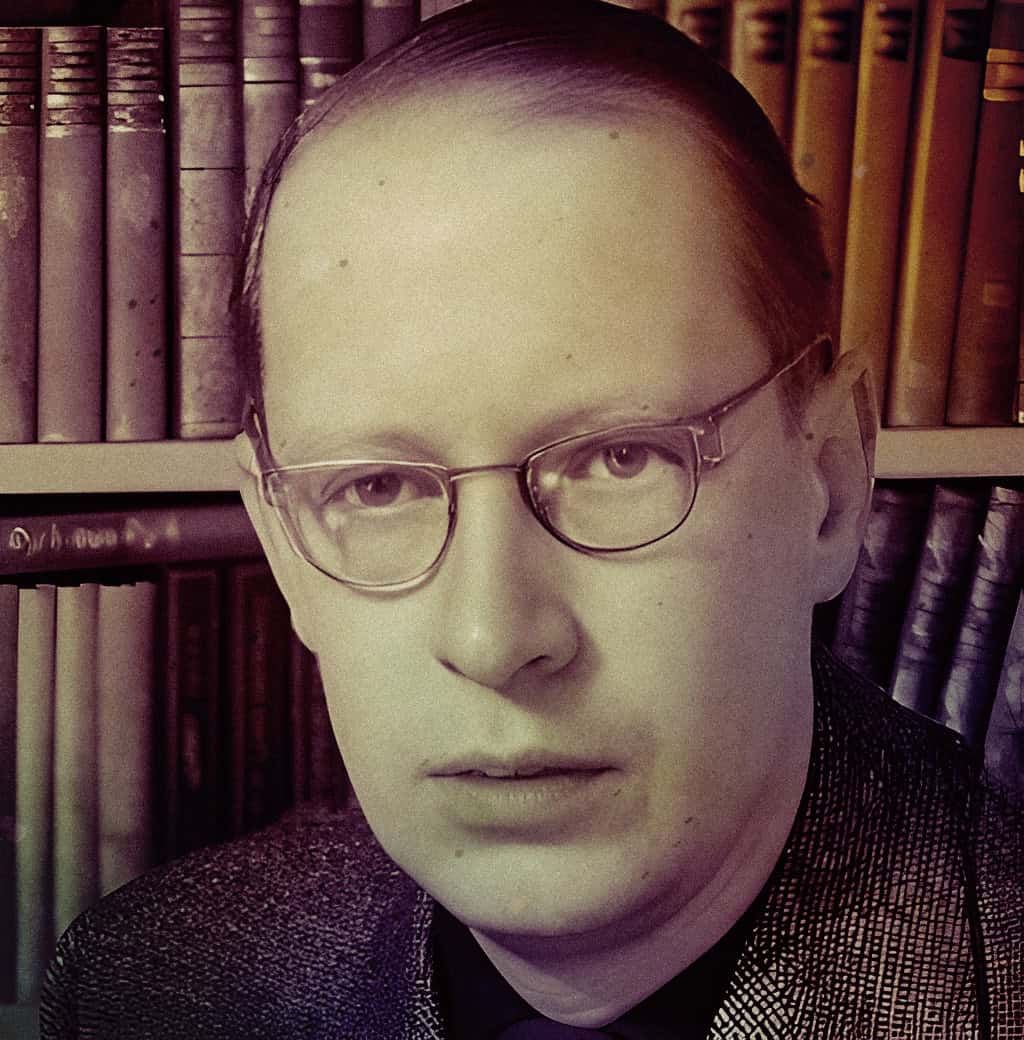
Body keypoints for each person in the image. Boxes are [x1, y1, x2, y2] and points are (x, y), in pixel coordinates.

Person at [41, 1, 1023, 1037]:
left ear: (826, 479)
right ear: (283, 541)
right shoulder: (139, 983)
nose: (493, 637)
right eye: (377, 486)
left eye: (618, 457)